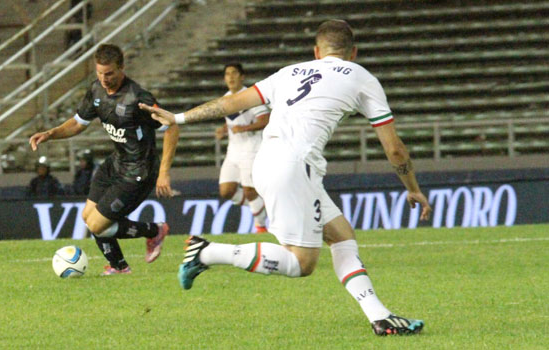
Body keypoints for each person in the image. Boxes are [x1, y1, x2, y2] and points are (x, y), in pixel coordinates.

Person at [140, 20, 433, 336]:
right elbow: (395, 150)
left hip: (268, 160)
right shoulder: (362, 77)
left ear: (316, 51)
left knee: (341, 234)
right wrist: (413, 188)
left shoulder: (289, 72)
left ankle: (380, 316)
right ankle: (207, 252)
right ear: (354, 53)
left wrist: (179, 117)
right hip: (295, 166)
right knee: (302, 264)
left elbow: (231, 103)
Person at [30, 44, 179, 275]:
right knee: (88, 217)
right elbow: (78, 123)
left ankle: (153, 231)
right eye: (99, 73)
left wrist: (164, 172)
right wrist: (51, 134)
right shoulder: (96, 91)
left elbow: (172, 126)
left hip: (139, 171)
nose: (104, 79)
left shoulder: (138, 98)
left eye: (109, 73)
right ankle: (119, 267)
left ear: (121, 68)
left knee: (98, 225)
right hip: (115, 163)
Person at [215, 63, 270, 233]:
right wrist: (224, 129)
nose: (230, 77)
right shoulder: (225, 98)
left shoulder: (251, 96)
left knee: (249, 190)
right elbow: (233, 121)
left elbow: (265, 120)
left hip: (252, 148)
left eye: (234, 73)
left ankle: (261, 227)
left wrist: (244, 129)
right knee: (226, 191)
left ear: (242, 76)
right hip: (233, 150)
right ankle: (264, 208)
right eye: (227, 74)